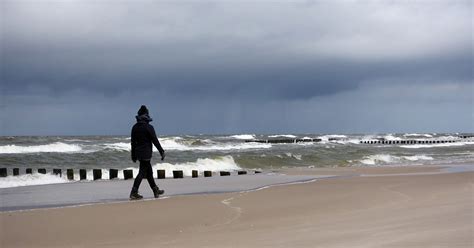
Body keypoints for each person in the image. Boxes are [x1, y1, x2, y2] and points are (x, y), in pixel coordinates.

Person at [130, 105, 166, 200]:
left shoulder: (134, 127)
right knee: (142, 172)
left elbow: (133, 143)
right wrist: (161, 151)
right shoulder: (148, 127)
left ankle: (155, 190)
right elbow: (155, 141)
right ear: (146, 115)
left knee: (149, 173)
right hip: (146, 153)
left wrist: (133, 155)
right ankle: (134, 192)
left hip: (138, 153)